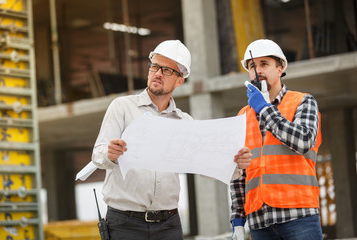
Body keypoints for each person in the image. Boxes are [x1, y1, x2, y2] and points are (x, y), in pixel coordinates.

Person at [92, 39, 251, 240]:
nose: (157, 73)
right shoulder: (122, 108)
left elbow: (206, 166)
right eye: (155, 66)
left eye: (166, 70)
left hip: (168, 226)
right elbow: (98, 154)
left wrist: (236, 164)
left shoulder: (184, 122)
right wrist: (109, 153)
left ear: (179, 80)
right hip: (125, 224)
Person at [230, 39, 323, 240]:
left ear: (280, 69)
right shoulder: (242, 117)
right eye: (252, 66)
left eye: (265, 64)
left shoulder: (303, 102)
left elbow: (303, 141)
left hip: (299, 216)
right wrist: (237, 220)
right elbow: (238, 174)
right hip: (259, 222)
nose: (258, 71)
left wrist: (264, 108)